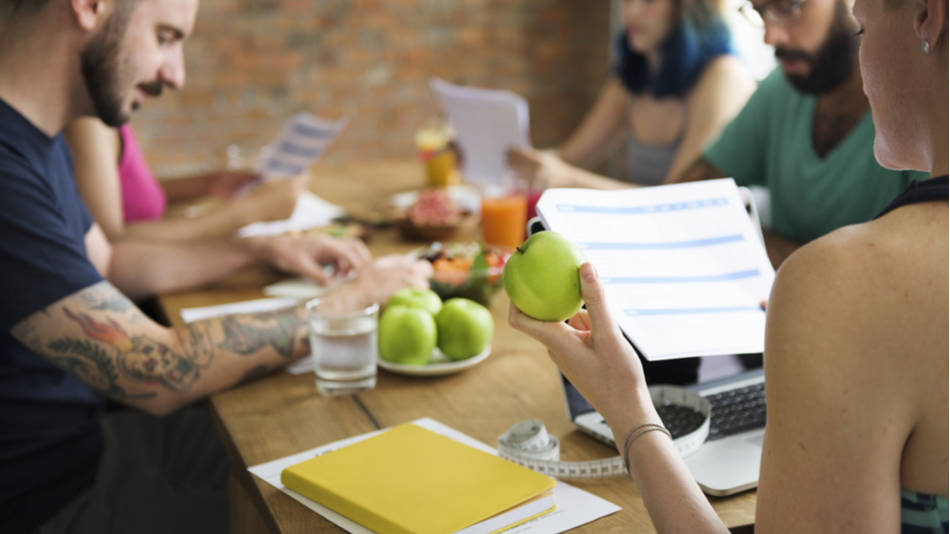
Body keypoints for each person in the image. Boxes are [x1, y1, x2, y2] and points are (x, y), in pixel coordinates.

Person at [510, 0, 948, 528]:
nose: (862, 57)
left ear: (928, 17)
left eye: (864, 25)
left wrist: (628, 411)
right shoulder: (779, 100)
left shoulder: (845, 286)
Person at [0, 1, 431, 532]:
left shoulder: (35, 137)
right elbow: (153, 371)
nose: (175, 74)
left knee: (346, 452)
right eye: (165, 36)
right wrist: (347, 302)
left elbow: (110, 260)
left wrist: (256, 250)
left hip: (90, 444)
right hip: (53, 503)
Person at [507, 0, 755, 189]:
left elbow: (678, 204)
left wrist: (567, 179)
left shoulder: (723, 76)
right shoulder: (633, 76)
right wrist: (519, 159)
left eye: (649, 0)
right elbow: (568, 158)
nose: (632, 12)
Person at [65, 110, 307, 242]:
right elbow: (113, 243)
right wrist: (250, 211)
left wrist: (207, 184)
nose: (175, 75)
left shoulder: (101, 117)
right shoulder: (87, 121)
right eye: (163, 38)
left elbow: (124, 194)